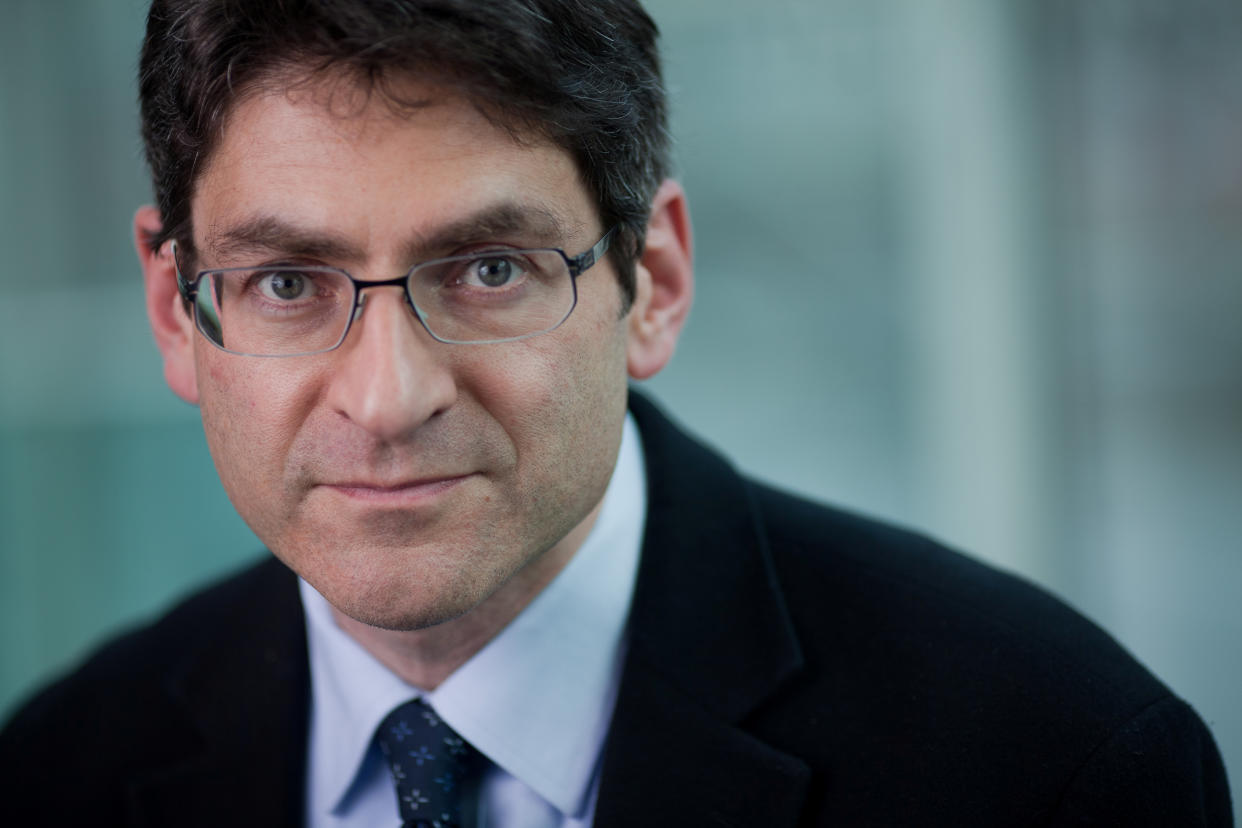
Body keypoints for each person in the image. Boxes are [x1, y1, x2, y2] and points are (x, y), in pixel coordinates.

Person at [0, 0, 1232, 825]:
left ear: (656, 284)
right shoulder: (60, 775)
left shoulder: (1051, 770)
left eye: (488, 271)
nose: (386, 398)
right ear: (176, 311)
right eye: (284, 284)